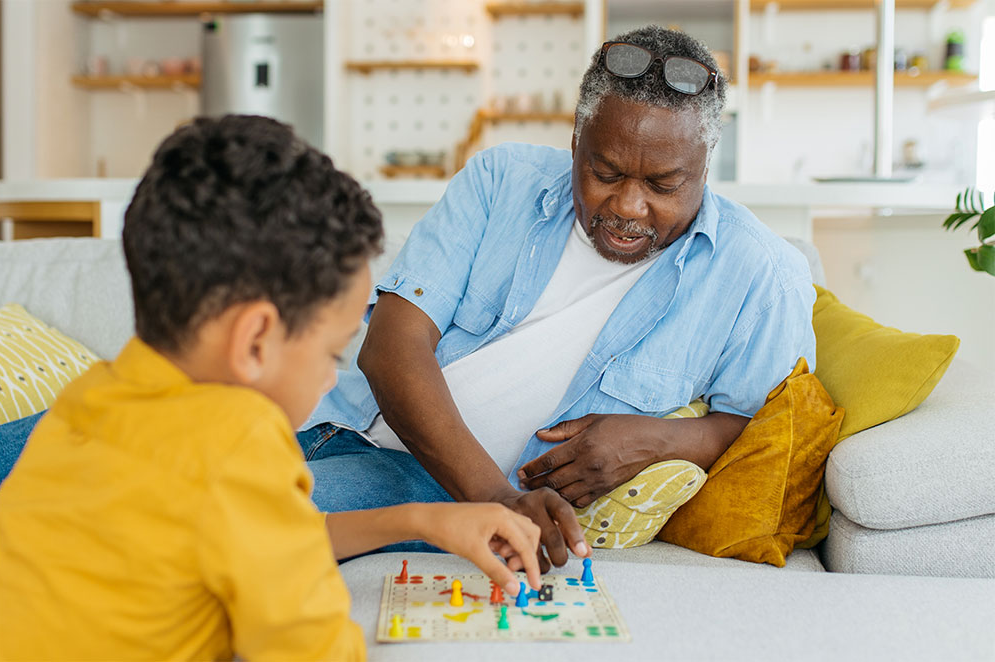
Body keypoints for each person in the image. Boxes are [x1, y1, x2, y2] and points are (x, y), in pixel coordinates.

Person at [0, 115, 542, 661]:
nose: (332, 377)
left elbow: (256, 536)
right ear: (256, 338)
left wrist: (421, 520)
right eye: (331, 353)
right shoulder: (240, 439)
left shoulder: (88, 399)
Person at [298, 25, 817, 571]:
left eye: (663, 185)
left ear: (705, 166)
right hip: (360, 441)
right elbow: (389, 349)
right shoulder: (502, 180)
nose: (629, 206)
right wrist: (496, 501)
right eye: (605, 172)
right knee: (225, 519)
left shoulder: (762, 274)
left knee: (235, 524)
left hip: (457, 495)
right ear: (575, 144)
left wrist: (658, 439)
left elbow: (768, 430)